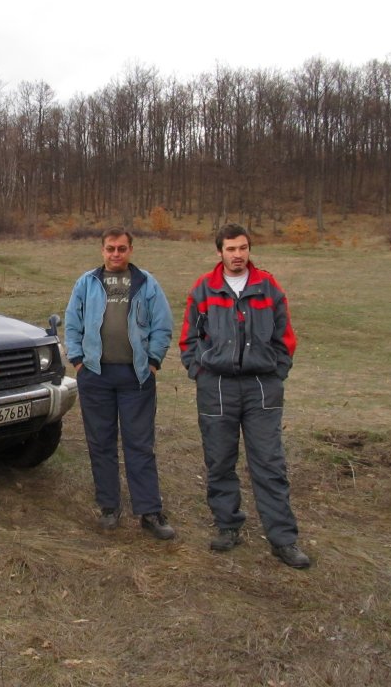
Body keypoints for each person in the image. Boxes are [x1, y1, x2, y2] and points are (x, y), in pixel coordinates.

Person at [179, 223, 311, 569]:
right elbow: (189, 338)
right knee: (219, 460)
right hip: (217, 388)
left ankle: (283, 539)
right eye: (231, 249)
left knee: (269, 463)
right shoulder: (203, 289)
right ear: (219, 252)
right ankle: (227, 526)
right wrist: (199, 372)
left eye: (243, 248)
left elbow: (285, 336)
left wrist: (278, 371)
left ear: (249, 250)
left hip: (261, 387)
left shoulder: (268, 287)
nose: (237, 255)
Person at [64, 227, 176, 539]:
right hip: (95, 376)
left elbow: (163, 325)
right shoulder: (86, 283)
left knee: (139, 444)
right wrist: (78, 361)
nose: (116, 254)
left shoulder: (146, 283)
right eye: (111, 248)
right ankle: (109, 507)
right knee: (101, 443)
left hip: (136, 377)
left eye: (122, 248)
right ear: (102, 250)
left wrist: (153, 361)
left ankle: (149, 512)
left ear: (130, 250)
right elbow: (72, 323)